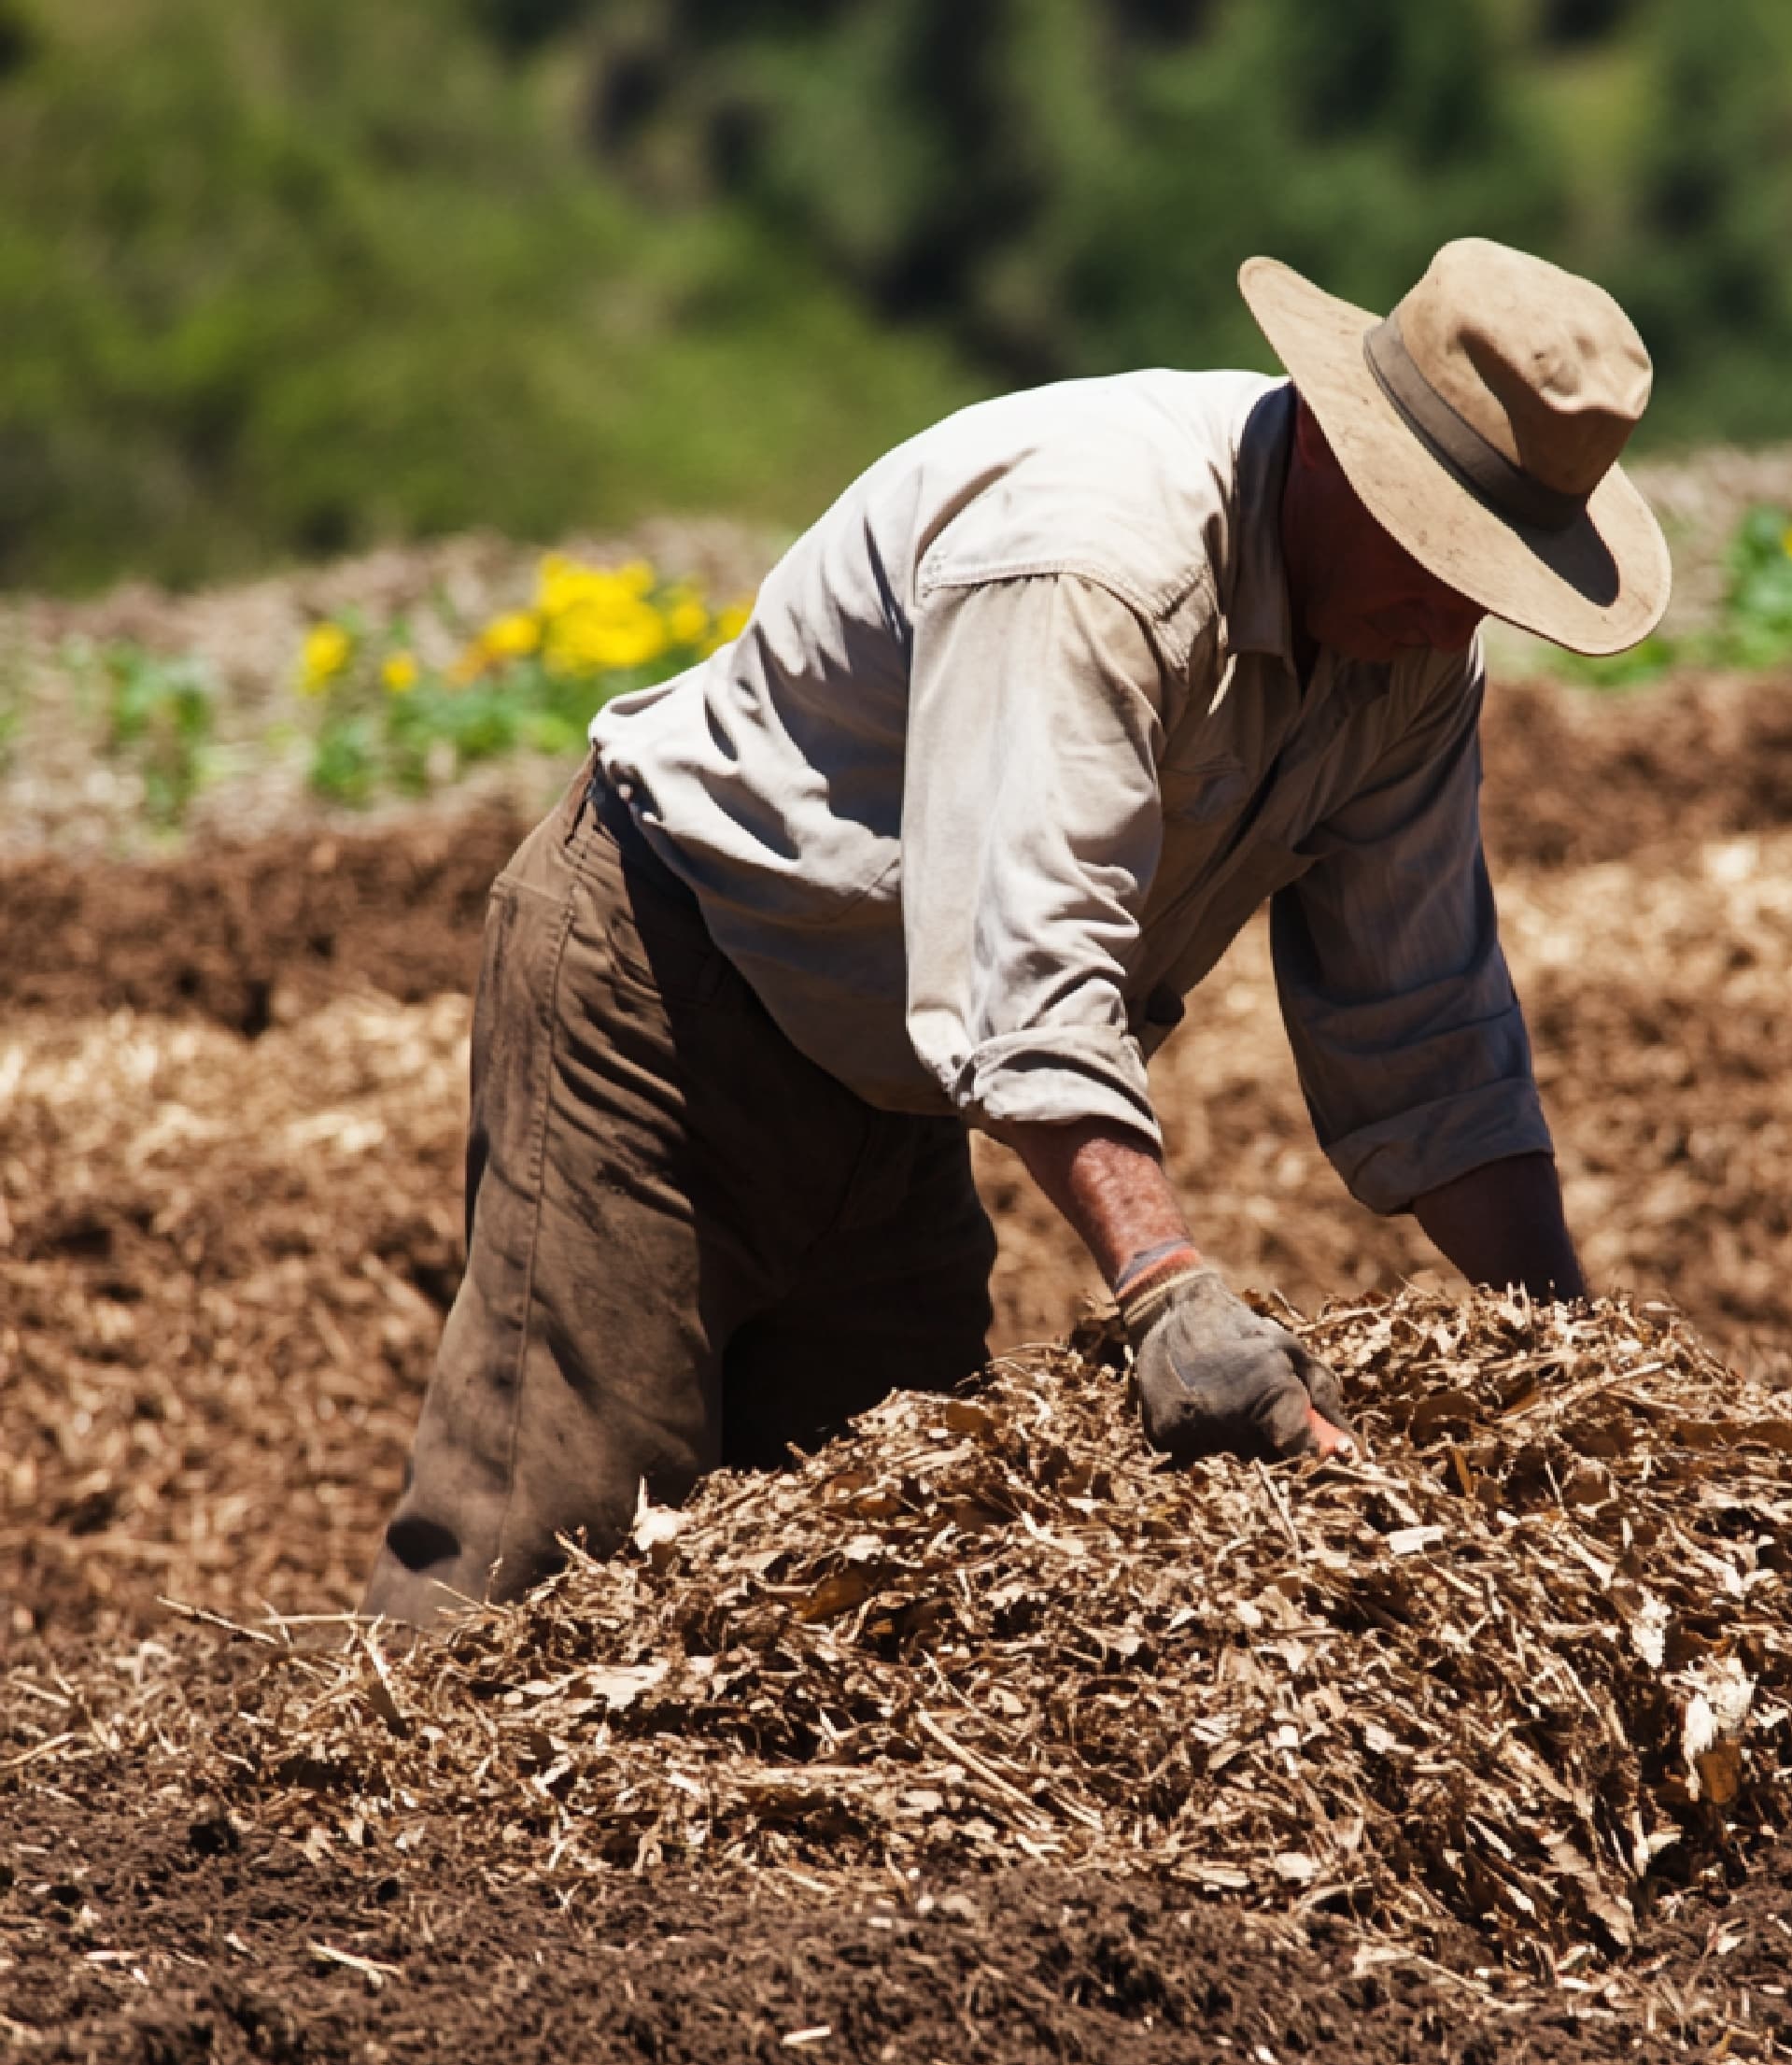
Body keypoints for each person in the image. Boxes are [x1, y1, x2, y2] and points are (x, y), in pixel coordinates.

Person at [366, 236, 1671, 1626]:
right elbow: (1026, 970)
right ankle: (378, 1844)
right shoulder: (1098, 565)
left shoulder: (1411, 653)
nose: (1460, 603)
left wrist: (1574, 1368)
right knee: (541, 1561)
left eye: (1493, 570)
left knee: (869, 1580)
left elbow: (1426, 1029)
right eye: (1441, 549)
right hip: (663, 1000)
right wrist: (1166, 1287)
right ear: (1340, 457)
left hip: (895, 1079)